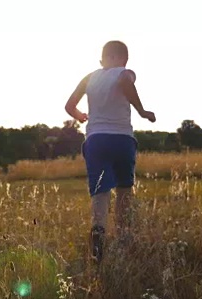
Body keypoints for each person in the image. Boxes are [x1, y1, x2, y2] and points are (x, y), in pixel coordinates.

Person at [64, 40, 156, 263]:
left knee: (100, 190)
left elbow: (69, 105)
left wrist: (81, 116)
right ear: (122, 58)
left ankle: (98, 232)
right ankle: (124, 237)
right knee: (125, 190)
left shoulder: (90, 77)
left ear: (103, 58)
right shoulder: (124, 72)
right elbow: (125, 80)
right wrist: (142, 111)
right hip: (122, 138)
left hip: (96, 139)